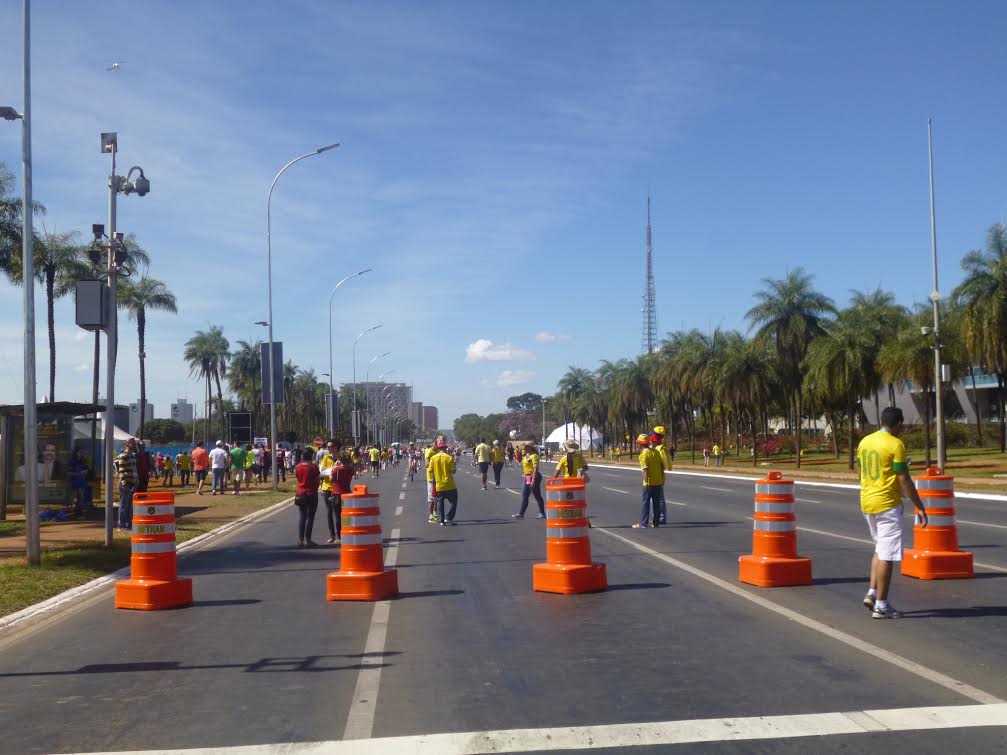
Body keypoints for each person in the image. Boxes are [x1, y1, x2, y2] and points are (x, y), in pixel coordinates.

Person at [857, 406, 928, 619]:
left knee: (880, 548)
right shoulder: (896, 444)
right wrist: (919, 505)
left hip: (867, 501)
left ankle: (872, 592)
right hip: (887, 504)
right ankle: (881, 605)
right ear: (898, 424)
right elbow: (904, 479)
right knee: (887, 555)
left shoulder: (865, 442)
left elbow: (861, 471)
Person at [634, 433, 663, 529]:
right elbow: (662, 467)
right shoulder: (656, 452)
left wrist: (646, 482)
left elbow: (645, 470)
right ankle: (656, 523)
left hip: (649, 483)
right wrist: (661, 479)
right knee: (656, 503)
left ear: (640, 444)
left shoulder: (643, 454)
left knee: (645, 503)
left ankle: (643, 524)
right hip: (658, 482)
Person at [429, 438, 459, 526]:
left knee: (440, 502)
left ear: (438, 449)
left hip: (439, 485)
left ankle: (442, 521)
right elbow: (453, 471)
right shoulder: (449, 458)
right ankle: (449, 518)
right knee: (454, 501)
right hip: (449, 484)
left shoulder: (433, 458)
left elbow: (430, 471)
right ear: (445, 448)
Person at [295, 448, 321, 547]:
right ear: (311, 456)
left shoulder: (298, 466)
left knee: (302, 516)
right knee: (310, 517)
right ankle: (308, 540)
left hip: (301, 492)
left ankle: (300, 540)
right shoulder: (314, 467)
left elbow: (297, 477)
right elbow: (318, 479)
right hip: (312, 493)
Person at [328, 451, 355, 544]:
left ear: (340, 460)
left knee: (338, 516)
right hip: (347, 494)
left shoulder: (337, 470)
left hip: (337, 494)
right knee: (347, 516)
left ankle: (339, 536)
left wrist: (334, 467)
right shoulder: (351, 470)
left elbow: (331, 479)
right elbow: (352, 471)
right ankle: (348, 533)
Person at [513, 442, 545, 519]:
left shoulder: (534, 456)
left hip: (533, 477)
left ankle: (542, 513)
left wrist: (533, 480)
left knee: (537, 495)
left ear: (530, 448)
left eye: (526, 447)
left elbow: (535, 468)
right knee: (525, 495)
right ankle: (521, 514)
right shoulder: (527, 455)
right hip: (527, 477)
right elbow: (521, 461)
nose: (524, 448)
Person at [114, 438, 138, 530]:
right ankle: (121, 525)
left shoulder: (132, 456)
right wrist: (124, 483)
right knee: (123, 505)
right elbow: (121, 470)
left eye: (134, 443)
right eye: (132, 443)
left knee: (130, 506)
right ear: (127, 444)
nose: (134, 445)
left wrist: (136, 480)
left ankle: (128, 523)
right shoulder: (123, 455)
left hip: (133, 483)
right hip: (126, 483)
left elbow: (134, 469)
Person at [318, 439, 339, 543]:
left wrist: (332, 471)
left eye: (330, 447)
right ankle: (332, 535)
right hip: (327, 488)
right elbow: (321, 471)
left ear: (335, 447)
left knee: (338, 512)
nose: (328, 448)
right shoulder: (326, 458)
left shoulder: (341, 458)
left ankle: (340, 535)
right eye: (328, 447)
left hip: (338, 489)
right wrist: (332, 471)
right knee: (329, 512)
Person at [653, 426, 672, 525]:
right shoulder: (654, 448)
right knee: (654, 498)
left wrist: (659, 465)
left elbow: (668, 466)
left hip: (659, 477)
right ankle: (656, 516)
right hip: (652, 477)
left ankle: (661, 517)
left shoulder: (661, 449)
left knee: (659, 498)